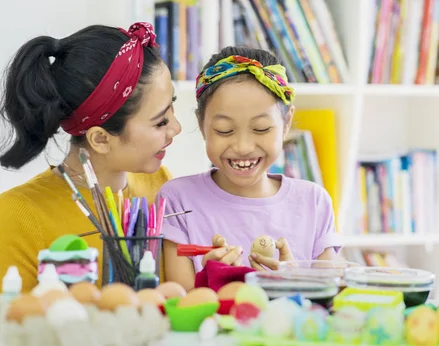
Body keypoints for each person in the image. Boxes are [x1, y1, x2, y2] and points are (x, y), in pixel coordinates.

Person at [0, 22, 182, 291]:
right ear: (101, 139)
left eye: (172, 108)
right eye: (160, 122)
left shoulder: (162, 185)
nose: (176, 128)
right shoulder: (16, 216)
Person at [158, 46, 343, 291]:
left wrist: (295, 284)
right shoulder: (177, 200)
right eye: (224, 130)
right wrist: (211, 281)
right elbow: (182, 306)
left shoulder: (313, 202)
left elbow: (329, 299)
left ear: (286, 123)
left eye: (261, 128)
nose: (243, 147)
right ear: (201, 125)